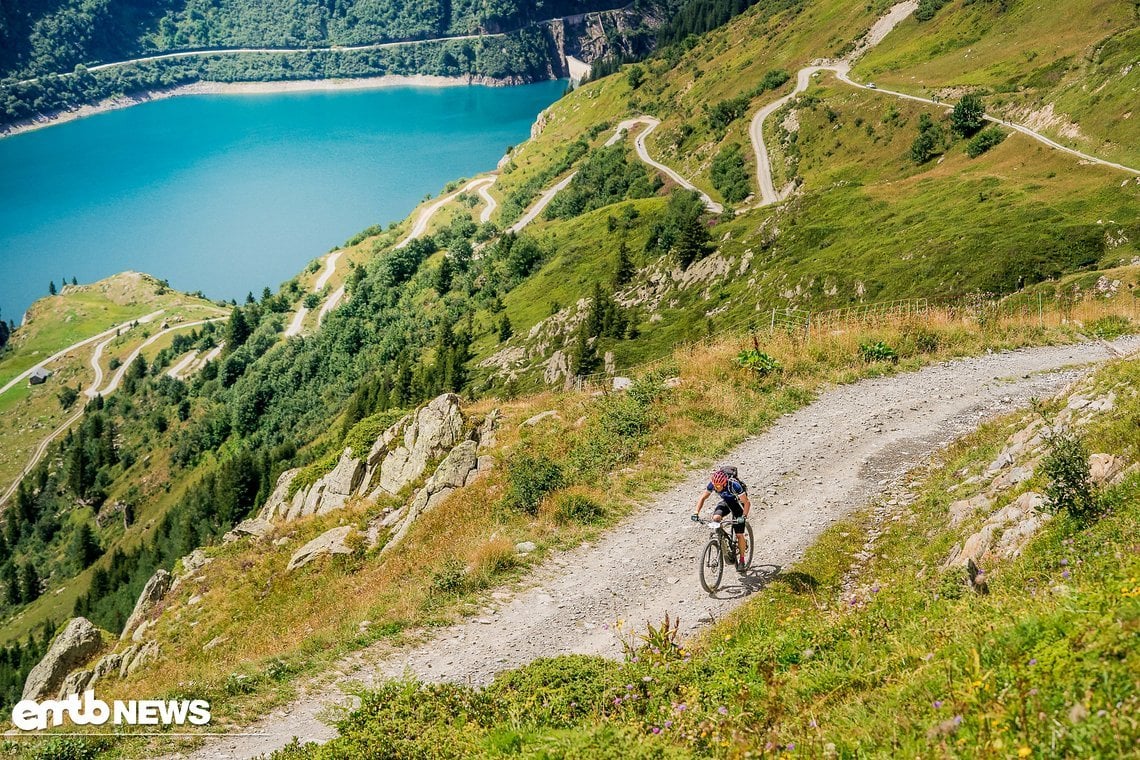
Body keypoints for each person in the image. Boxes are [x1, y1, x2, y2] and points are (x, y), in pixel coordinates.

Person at [692, 467, 751, 572]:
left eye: (719, 486)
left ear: (724, 483)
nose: (717, 488)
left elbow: (746, 502)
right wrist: (696, 512)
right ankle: (722, 538)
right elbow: (703, 498)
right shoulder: (713, 484)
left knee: (739, 534)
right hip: (726, 503)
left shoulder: (734, 486)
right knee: (716, 518)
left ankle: (742, 560)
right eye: (715, 486)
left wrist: (744, 516)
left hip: (738, 505)